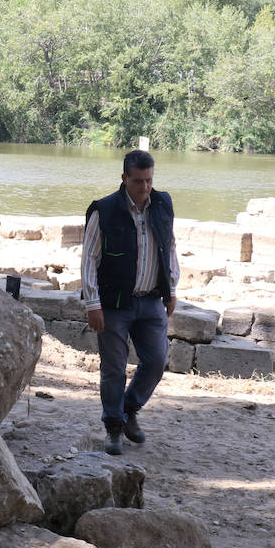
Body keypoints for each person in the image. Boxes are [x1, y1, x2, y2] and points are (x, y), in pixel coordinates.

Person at [81, 149, 180, 456]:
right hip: (114, 303)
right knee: (113, 368)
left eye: (149, 180)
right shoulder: (104, 210)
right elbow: (89, 258)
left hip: (151, 301)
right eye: (138, 181)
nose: (145, 187)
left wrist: (172, 288)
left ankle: (128, 410)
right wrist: (92, 303)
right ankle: (113, 427)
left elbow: (170, 247)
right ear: (124, 179)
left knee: (155, 362)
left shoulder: (162, 204)